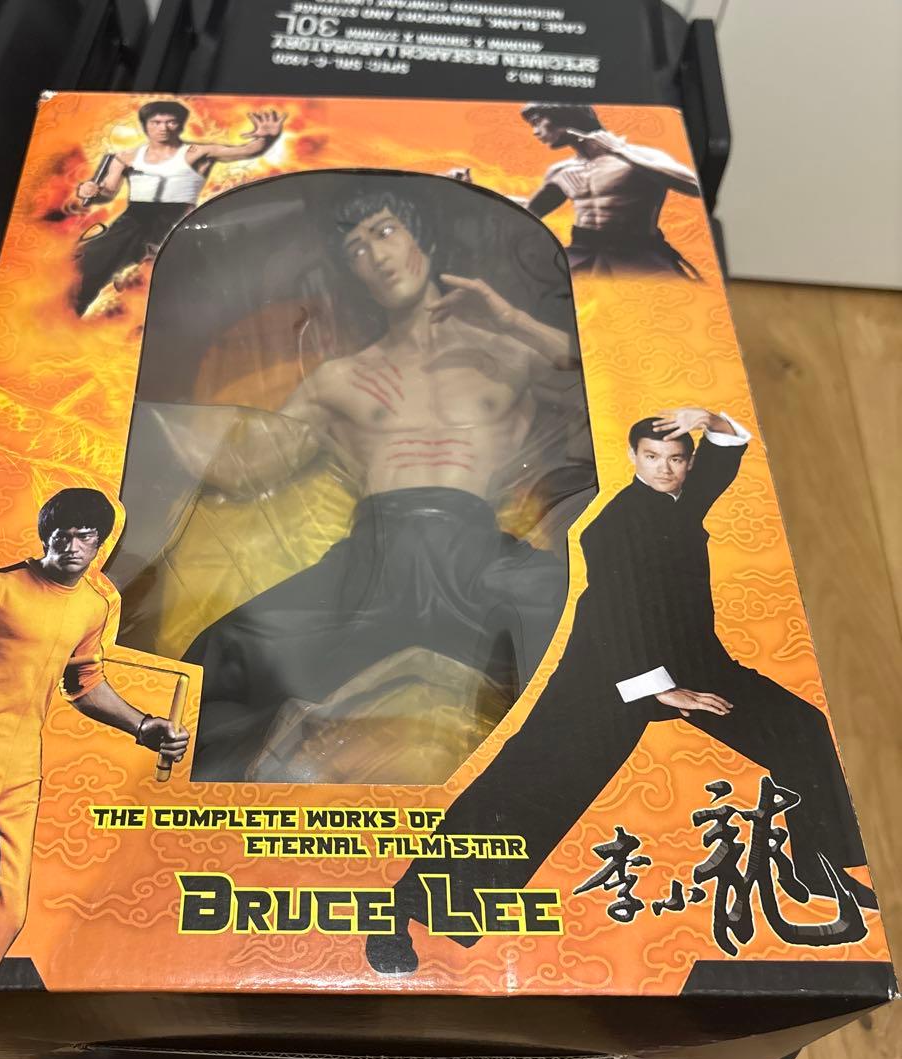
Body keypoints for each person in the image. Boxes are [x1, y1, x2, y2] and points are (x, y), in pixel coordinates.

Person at [366, 407, 874, 974]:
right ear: (632, 459)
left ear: (688, 464)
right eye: (652, 458)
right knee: (528, 783)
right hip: (606, 673)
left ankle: (818, 865)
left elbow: (726, 453)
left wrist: (707, 416)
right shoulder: (613, 525)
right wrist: (658, 690)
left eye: (676, 459)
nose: (664, 469)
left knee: (802, 728)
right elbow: (611, 614)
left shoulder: (681, 499)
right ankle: (401, 911)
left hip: (696, 664)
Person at [177, 183, 592, 781]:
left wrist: (513, 319)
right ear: (352, 273)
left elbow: (607, 396)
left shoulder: (507, 352)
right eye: (355, 249)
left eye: (384, 231)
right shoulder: (340, 377)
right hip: (373, 559)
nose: (374, 255)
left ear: (422, 237)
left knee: (602, 627)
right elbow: (243, 468)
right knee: (224, 656)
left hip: (478, 556)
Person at [0, 488, 189, 991]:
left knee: (10, 910)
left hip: (22, 769)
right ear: (46, 537)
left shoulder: (94, 606)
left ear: (98, 543)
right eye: (63, 536)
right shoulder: (0, 585)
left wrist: (144, 727)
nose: (73, 546)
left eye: (85, 536)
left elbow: (85, 684)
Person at [72, 101, 286, 315]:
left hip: (176, 221)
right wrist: (91, 190)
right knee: (88, 269)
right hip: (133, 220)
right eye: (156, 122)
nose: (163, 127)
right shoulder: (126, 157)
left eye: (170, 122)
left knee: (176, 283)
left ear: (180, 125)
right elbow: (108, 191)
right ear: (146, 124)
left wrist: (265, 138)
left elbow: (247, 151)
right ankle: (69, 316)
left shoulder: (197, 152)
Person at [520, 103, 701, 278]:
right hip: (582, 252)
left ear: (565, 117)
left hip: (639, 255)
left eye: (537, 122)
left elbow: (694, 186)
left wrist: (621, 151)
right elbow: (531, 213)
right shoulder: (561, 171)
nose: (535, 132)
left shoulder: (642, 156)